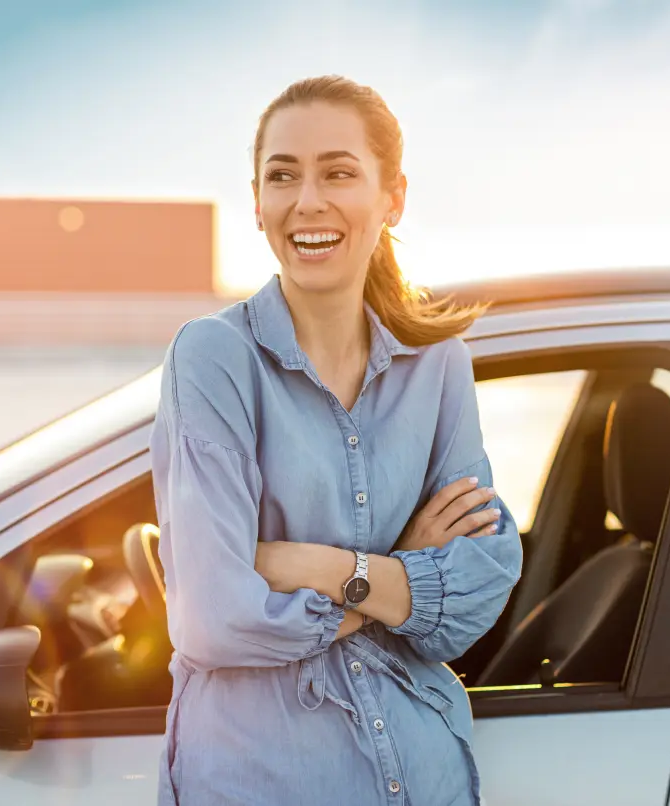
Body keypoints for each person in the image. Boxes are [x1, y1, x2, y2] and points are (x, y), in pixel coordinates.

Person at [149, 74, 522, 806]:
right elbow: (213, 620)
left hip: (424, 779)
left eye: (339, 173)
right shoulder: (213, 358)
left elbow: (477, 585)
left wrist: (312, 565)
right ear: (257, 202)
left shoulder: (439, 365)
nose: (308, 201)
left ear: (393, 197)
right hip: (261, 783)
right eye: (283, 175)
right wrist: (394, 575)